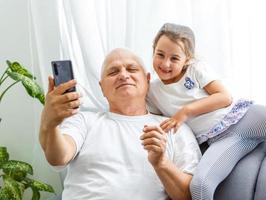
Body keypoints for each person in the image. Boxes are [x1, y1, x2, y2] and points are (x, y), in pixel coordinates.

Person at [146, 23, 266, 200]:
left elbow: (224, 97)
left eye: (174, 58)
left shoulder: (195, 69)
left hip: (246, 118)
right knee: (199, 187)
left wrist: (186, 111)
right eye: (160, 55)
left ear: (187, 58)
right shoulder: (153, 91)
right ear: (153, 51)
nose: (165, 63)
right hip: (222, 140)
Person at [39, 48, 201, 200]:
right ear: (102, 87)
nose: (123, 75)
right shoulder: (84, 121)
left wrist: (161, 163)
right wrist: (49, 123)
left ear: (147, 80)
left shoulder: (175, 127)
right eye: (113, 71)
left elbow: (189, 195)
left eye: (131, 69)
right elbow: (58, 158)